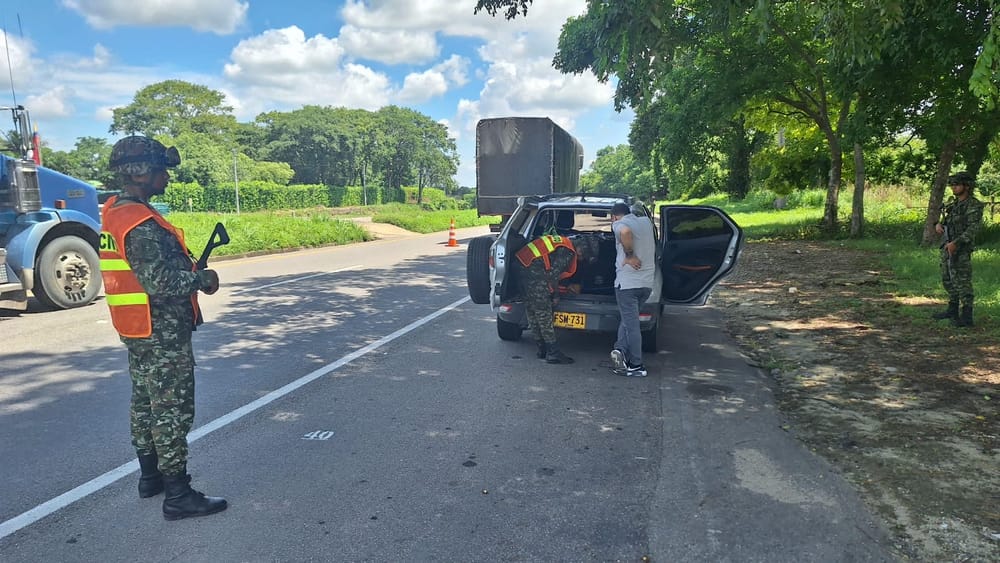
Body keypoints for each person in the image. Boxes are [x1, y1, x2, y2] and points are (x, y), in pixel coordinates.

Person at [99, 135, 227, 520]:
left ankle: (150, 477)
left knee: (144, 402)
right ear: (141, 173)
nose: (167, 178)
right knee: (172, 408)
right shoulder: (139, 222)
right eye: (161, 171)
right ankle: (178, 495)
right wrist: (201, 280)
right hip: (160, 330)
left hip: (137, 327)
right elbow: (160, 282)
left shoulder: (115, 211)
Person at [515, 232, 598, 364]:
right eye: (583, 256)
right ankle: (553, 352)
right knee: (544, 312)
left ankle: (542, 348)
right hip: (534, 272)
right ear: (581, 249)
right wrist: (555, 295)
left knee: (532, 310)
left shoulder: (563, 242)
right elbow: (552, 275)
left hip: (521, 266)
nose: (581, 259)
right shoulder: (568, 251)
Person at [609, 202, 656, 377]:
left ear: (614, 216)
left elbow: (625, 232)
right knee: (628, 320)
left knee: (632, 326)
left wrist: (630, 255)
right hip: (646, 284)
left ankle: (636, 365)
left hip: (627, 285)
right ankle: (620, 351)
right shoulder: (646, 222)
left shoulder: (618, 224)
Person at [932, 171, 984, 327]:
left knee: (962, 281)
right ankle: (952, 309)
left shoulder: (973, 205)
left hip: (961, 248)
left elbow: (973, 229)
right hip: (947, 245)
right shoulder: (953, 204)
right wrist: (938, 225)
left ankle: (967, 317)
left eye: (957, 184)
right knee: (948, 278)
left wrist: (956, 243)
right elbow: (947, 221)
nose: (953, 187)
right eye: (952, 185)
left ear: (966, 186)